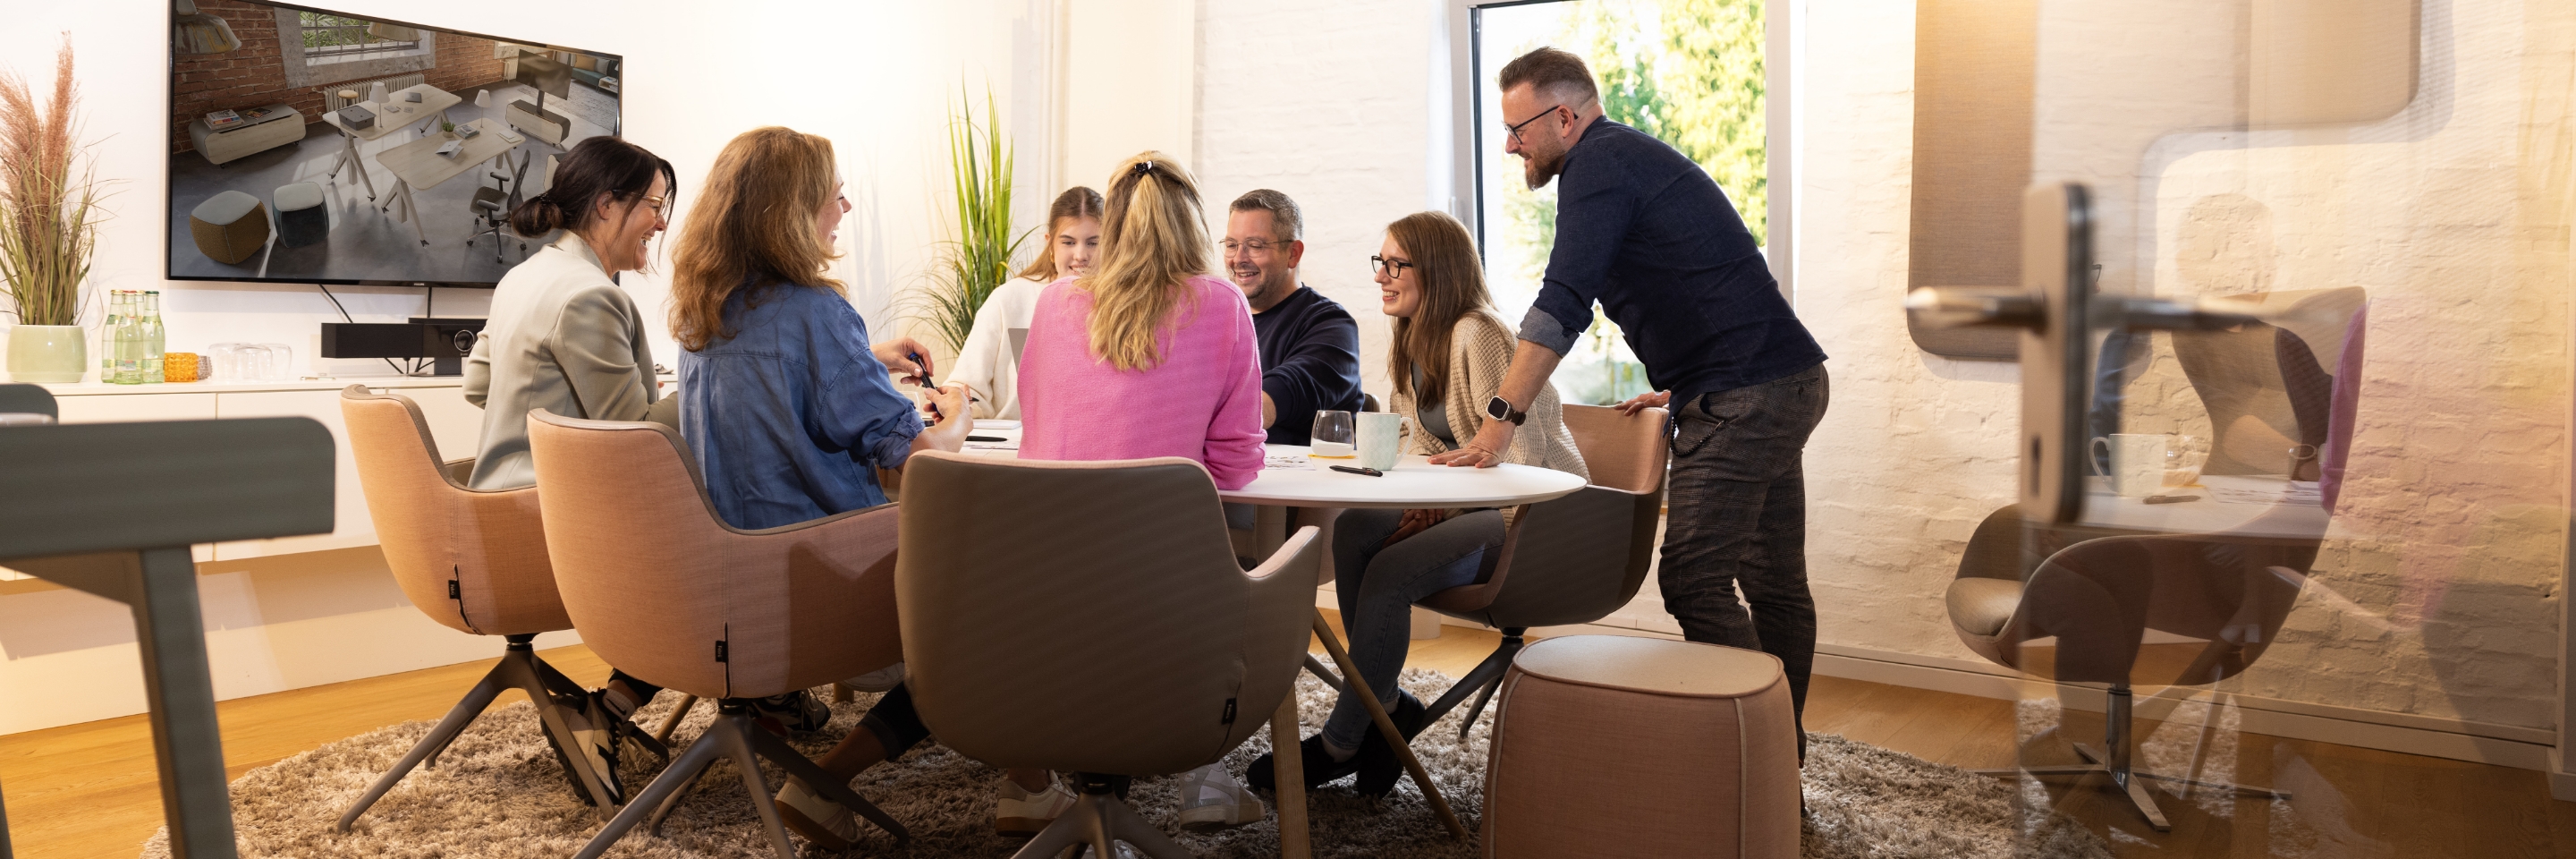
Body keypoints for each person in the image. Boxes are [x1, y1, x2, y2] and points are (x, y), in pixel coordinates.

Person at [1440, 47, 1831, 757]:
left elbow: (1562, 303)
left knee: (1692, 580)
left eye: (1519, 129)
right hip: (1778, 378)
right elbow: (1702, 268)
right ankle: (1781, 761)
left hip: (1747, 392)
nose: (1508, 145)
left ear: (1564, 116)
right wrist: (1689, 371)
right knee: (1774, 585)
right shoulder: (1626, 160)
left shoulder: (1598, 166)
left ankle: (1769, 752)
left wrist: (1497, 425)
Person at [663, 126, 981, 850]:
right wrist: (959, 412)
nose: (844, 205)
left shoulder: (700, 312)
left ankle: (1029, 790)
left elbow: (773, 377)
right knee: (981, 609)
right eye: (830, 193)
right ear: (791, 210)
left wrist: (861, 361)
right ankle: (837, 784)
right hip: (817, 582)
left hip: (725, 581)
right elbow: (920, 459)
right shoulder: (817, 312)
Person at [1245, 211, 1587, 795]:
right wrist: (1428, 501)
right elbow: (1429, 448)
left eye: (1395, 263)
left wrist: (1443, 507)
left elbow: (1523, 459)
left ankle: (1342, 741)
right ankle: (1385, 709)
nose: (1381, 275)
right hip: (1477, 506)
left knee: (1390, 575)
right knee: (1355, 528)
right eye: (1380, 262)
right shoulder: (1410, 339)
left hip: (1534, 518)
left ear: (1438, 270)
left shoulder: (1476, 333)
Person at [1015, 151, 1271, 830]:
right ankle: (1205, 778)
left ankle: (1089, 786)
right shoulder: (1221, 305)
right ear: (1193, 224)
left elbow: (1036, 434)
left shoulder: (1055, 301)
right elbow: (1238, 461)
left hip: (1043, 566)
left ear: (1114, 224)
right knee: (1247, 574)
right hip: (1164, 575)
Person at [460, 134, 679, 806]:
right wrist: (713, 387)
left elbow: (478, 385)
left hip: (495, 508)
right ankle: (609, 711)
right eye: (653, 205)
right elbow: (634, 436)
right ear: (608, 206)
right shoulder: (590, 295)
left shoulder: (522, 276)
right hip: (544, 524)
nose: (662, 223)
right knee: (715, 553)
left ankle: (772, 699)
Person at [945, 187, 1103, 419]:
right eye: (1068, 242)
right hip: (1014, 447)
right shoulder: (1010, 299)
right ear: (1050, 245)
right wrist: (954, 404)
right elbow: (966, 387)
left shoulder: (1122, 308)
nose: (1080, 255)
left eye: (1092, 243)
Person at [1223, 189, 1362, 443]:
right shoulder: (1219, 322)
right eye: (1232, 245)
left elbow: (1287, 391)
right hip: (1232, 473)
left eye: (1255, 246)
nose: (1238, 259)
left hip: (1309, 479)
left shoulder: (1331, 324)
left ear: (1293, 254)